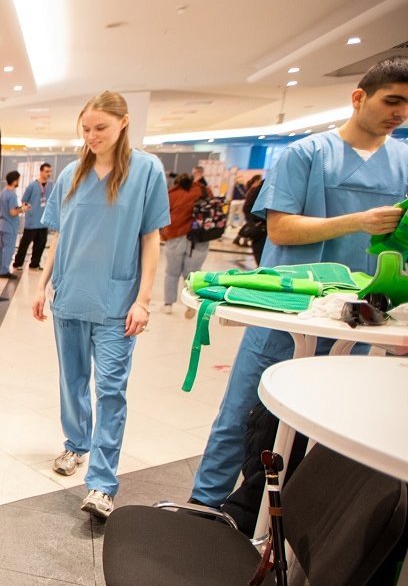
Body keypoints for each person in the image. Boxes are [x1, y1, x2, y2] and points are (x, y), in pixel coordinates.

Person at [190, 56, 408, 509]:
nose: (399, 113)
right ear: (359, 97)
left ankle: (286, 527)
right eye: (393, 100)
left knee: (330, 427)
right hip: (286, 310)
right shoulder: (306, 155)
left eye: (407, 106)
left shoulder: (403, 162)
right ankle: (203, 507)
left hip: (360, 318)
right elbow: (282, 229)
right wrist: (358, 222)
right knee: (241, 413)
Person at [31, 91, 170, 520]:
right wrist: (41, 285)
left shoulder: (146, 170)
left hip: (116, 302)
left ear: (124, 123)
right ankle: (76, 446)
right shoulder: (72, 174)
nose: (92, 136)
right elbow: (56, 237)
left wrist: (144, 300)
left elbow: (151, 238)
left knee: (110, 391)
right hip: (69, 297)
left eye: (101, 128)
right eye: (86, 129)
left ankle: (102, 484)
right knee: (71, 382)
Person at [160, 173, 206, 316]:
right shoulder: (203, 191)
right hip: (199, 238)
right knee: (193, 274)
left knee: (171, 273)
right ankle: (191, 303)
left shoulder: (172, 194)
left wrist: (162, 234)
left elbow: (162, 215)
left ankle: (168, 304)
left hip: (175, 237)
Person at [12, 163, 53, 271]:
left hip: (43, 222)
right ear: (41, 171)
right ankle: (17, 263)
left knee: (40, 244)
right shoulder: (32, 186)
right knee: (24, 244)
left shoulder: (51, 186)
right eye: (47, 171)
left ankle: (35, 264)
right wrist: (28, 210)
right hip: (32, 222)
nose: (49, 174)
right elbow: (24, 200)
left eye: (50, 171)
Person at [0, 171, 25, 278]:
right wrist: (22, 209)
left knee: (1, 248)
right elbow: (12, 212)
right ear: (14, 181)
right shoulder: (12, 195)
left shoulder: (3, 192)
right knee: (8, 249)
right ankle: (4, 271)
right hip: (10, 226)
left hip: (2, 224)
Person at [239, 174, 267, 264]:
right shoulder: (262, 188)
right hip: (261, 231)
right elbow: (247, 208)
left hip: (269, 232)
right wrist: (263, 220)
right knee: (262, 264)